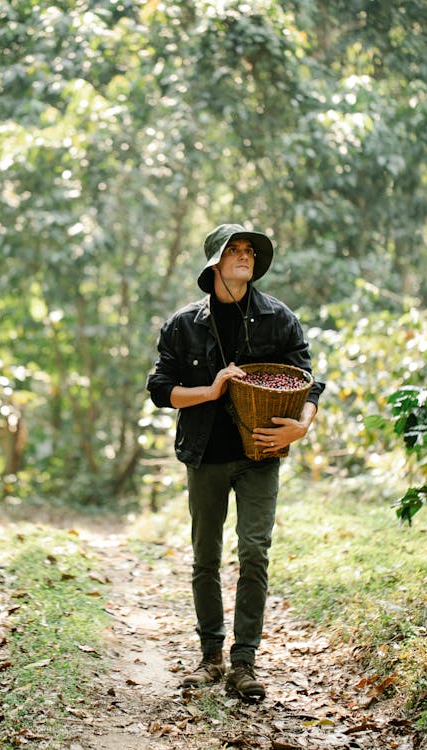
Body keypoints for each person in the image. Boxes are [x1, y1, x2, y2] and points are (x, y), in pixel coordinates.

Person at [146, 223, 325, 700]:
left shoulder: (277, 318)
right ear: (215, 263)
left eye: (250, 250)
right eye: (235, 250)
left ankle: (244, 664)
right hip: (204, 455)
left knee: (254, 553)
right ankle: (210, 658)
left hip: (261, 454)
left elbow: (312, 382)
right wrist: (210, 390)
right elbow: (160, 391)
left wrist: (302, 424)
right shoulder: (183, 325)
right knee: (205, 558)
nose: (245, 255)